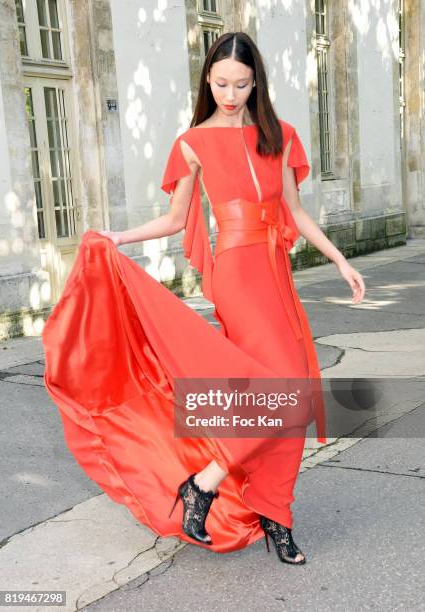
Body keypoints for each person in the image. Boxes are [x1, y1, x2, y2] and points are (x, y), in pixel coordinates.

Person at [43, 32, 365, 566]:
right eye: (220, 84)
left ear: (255, 81)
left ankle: (274, 516)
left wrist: (340, 259)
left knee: (289, 400)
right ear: (207, 81)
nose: (231, 94)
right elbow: (174, 221)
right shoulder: (192, 142)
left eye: (241, 84)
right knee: (282, 395)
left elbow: (296, 212)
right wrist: (115, 238)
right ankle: (208, 483)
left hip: (278, 275)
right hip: (238, 275)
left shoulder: (279, 135)